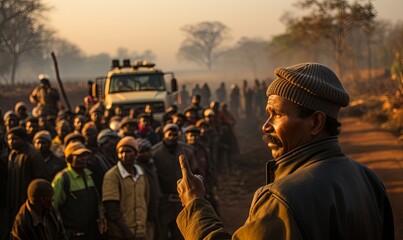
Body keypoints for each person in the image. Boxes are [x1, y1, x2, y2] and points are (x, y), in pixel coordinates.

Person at [176, 62, 394, 239]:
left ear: (316, 122)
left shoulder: (283, 199)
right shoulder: (369, 179)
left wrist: (195, 205)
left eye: (277, 114)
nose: (266, 125)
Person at [151, 123, 198, 240]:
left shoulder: (188, 151)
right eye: (170, 134)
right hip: (164, 201)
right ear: (164, 135)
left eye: (175, 134)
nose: (173, 137)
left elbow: (196, 173)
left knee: (182, 233)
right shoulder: (155, 153)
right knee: (162, 233)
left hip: (183, 201)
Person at [52, 141, 107, 239]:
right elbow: (52, 208)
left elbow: (97, 200)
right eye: (80, 156)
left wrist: (101, 216)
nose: (84, 159)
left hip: (91, 232)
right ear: (69, 158)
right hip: (72, 234)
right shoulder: (62, 179)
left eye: (85, 156)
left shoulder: (89, 175)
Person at [102, 136, 150, 240]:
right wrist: (126, 231)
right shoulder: (112, 175)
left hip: (140, 231)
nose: (124, 155)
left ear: (136, 153)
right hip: (120, 234)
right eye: (121, 152)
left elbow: (146, 199)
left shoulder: (141, 173)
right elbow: (111, 209)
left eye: (128, 151)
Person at [6, 127, 49, 235]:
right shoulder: (12, 155)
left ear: (23, 139)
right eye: (9, 139)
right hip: (14, 203)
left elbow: (40, 180)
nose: (11, 142)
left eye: (15, 139)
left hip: (29, 204)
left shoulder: (33, 155)